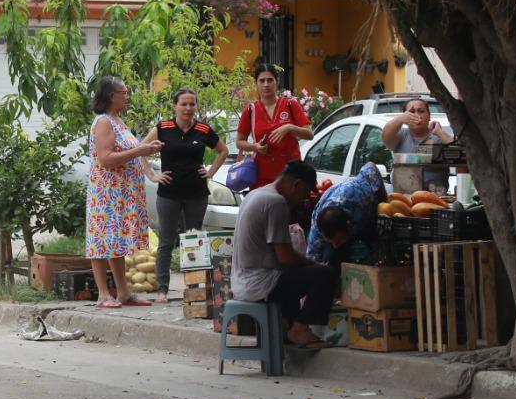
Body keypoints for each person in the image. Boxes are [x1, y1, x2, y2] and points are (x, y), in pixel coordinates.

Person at [230, 160, 339, 349]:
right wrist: (314, 265)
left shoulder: (256, 193)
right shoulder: (275, 202)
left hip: (242, 281)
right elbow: (285, 256)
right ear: (297, 185)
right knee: (326, 274)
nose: (302, 199)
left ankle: (287, 327)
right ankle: (300, 329)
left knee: (293, 276)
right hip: (260, 283)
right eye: (304, 193)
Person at [141, 88, 228, 300]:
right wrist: (152, 176)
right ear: (175, 106)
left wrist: (210, 172)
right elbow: (141, 149)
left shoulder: (203, 129)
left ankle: (195, 288)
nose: (188, 108)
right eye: (184, 104)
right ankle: (162, 289)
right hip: (168, 193)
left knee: (194, 239)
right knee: (166, 241)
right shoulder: (163, 128)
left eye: (192, 104)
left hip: (196, 193)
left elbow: (223, 151)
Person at [85, 75, 161, 309]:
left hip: (120, 195)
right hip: (107, 193)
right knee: (101, 241)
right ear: (111, 95)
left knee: (115, 243)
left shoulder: (118, 120)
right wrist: (140, 151)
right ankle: (102, 294)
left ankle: (123, 292)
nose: (127, 96)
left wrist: (143, 149)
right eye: (123, 93)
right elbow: (106, 158)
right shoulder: (104, 122)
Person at [235, 62, 311, 190]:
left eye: (270, 80)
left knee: (288, 209)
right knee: (263, 209)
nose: (266, 85)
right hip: (261, 176)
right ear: (256, 83)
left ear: (277, 81)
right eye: (262, 81)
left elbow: (309, 134)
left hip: (290, 175)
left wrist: (289, 127)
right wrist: (255, 147)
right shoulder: (250, 110)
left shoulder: (290, 105)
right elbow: (239, 142)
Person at [306, 161, 386, 266]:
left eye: (338, 241)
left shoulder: (362, 193)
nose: (335, 245)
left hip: (365, 215)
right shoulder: (317, 230)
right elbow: (312, 259)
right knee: (330, 262)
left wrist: (384, 201)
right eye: (331, 241)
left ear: (348, 225)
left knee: (379, 254)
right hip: (346, 222)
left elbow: (370, 166)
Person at [382, 97, 449, 153]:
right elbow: (386, 138)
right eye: (411, 112)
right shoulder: (401, 135)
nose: (417, 115)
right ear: (404, 117)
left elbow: (457, 151)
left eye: (421, 111)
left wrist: (440, 133)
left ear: (429, 116)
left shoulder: (439, 136)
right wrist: (399, 120)